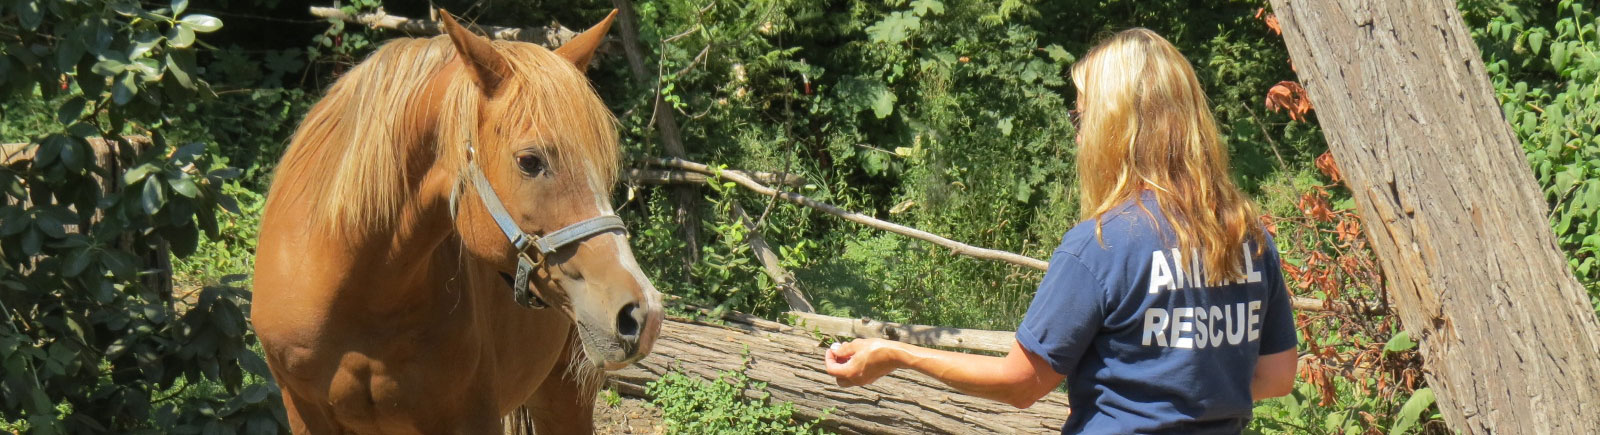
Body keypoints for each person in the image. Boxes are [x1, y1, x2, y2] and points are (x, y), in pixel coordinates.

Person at [822, 28, 1299, 434]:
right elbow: (1277, 376)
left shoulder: (1103, 244)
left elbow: (1021, 383)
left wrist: (896, 354)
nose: (1078, 134)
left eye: (1083, 115)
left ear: (1118, 126)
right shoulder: (1247, 235)